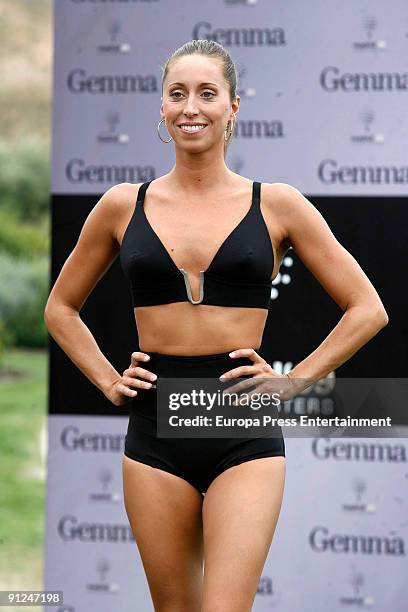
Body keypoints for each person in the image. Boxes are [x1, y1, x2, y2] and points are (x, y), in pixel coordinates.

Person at [44, 39, 388, 612]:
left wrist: (294, 381)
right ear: (160, 107)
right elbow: (60, 308)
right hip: (155, 431)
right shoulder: (121, 205)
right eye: (177, 94)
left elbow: (367, 309)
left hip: (242, 428)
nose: (190, 107)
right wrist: (107, 378)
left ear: (234, 106)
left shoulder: (277, 203)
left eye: (207, 93)